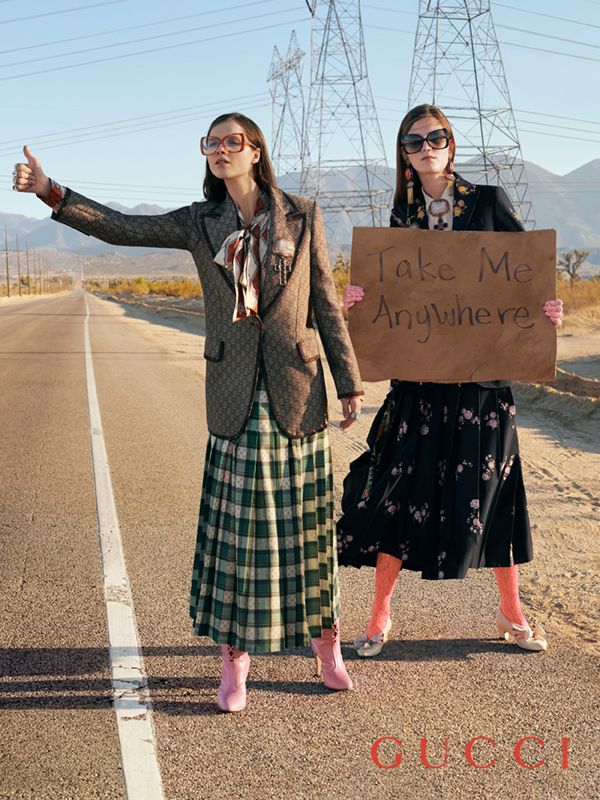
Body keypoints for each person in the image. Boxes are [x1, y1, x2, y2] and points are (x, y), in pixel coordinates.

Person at [13, 112, 364, 711]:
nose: (221, 150)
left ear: (256, 151)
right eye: (212, 143)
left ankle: (324, 641)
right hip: (231, 391)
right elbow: (122, 228)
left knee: (305, 527)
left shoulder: (302, 214)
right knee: (237, 533)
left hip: (298, 389)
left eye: (233, 142)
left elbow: (324, 300)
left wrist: (348, 378)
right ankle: (234, 659)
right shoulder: (201, 223)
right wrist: (52, 191)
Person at [338, 104, 563, 657]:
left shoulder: (487, 202)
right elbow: (391, 302)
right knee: (398, 489)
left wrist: (548, 310)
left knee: (494, 494)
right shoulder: (401, 220)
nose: (426, 147)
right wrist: (358, 303)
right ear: (405, 156)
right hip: (417, 387)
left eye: (435, 137)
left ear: (452, 143)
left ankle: (512, 612)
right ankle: (379, 616)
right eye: (414, 142)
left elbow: (526, 276)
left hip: (482, 386)